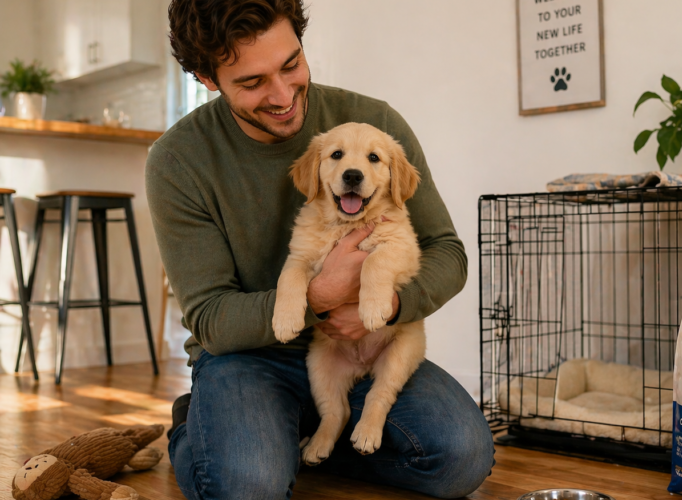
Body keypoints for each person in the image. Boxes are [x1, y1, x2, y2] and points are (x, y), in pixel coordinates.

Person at [146, 1, 495, 499]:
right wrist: (322, 294)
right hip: (248, 356)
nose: (284, 95)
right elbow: (212, 319)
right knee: (248, 487)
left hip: (367, 345)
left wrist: (389, 305)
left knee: (461, 458)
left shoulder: (374, 122)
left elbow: (446, 254)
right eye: (252, 82)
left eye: (291, 64)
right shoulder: (178, 161)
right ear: (207, 79)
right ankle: (202, 432)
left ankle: (300, 441)